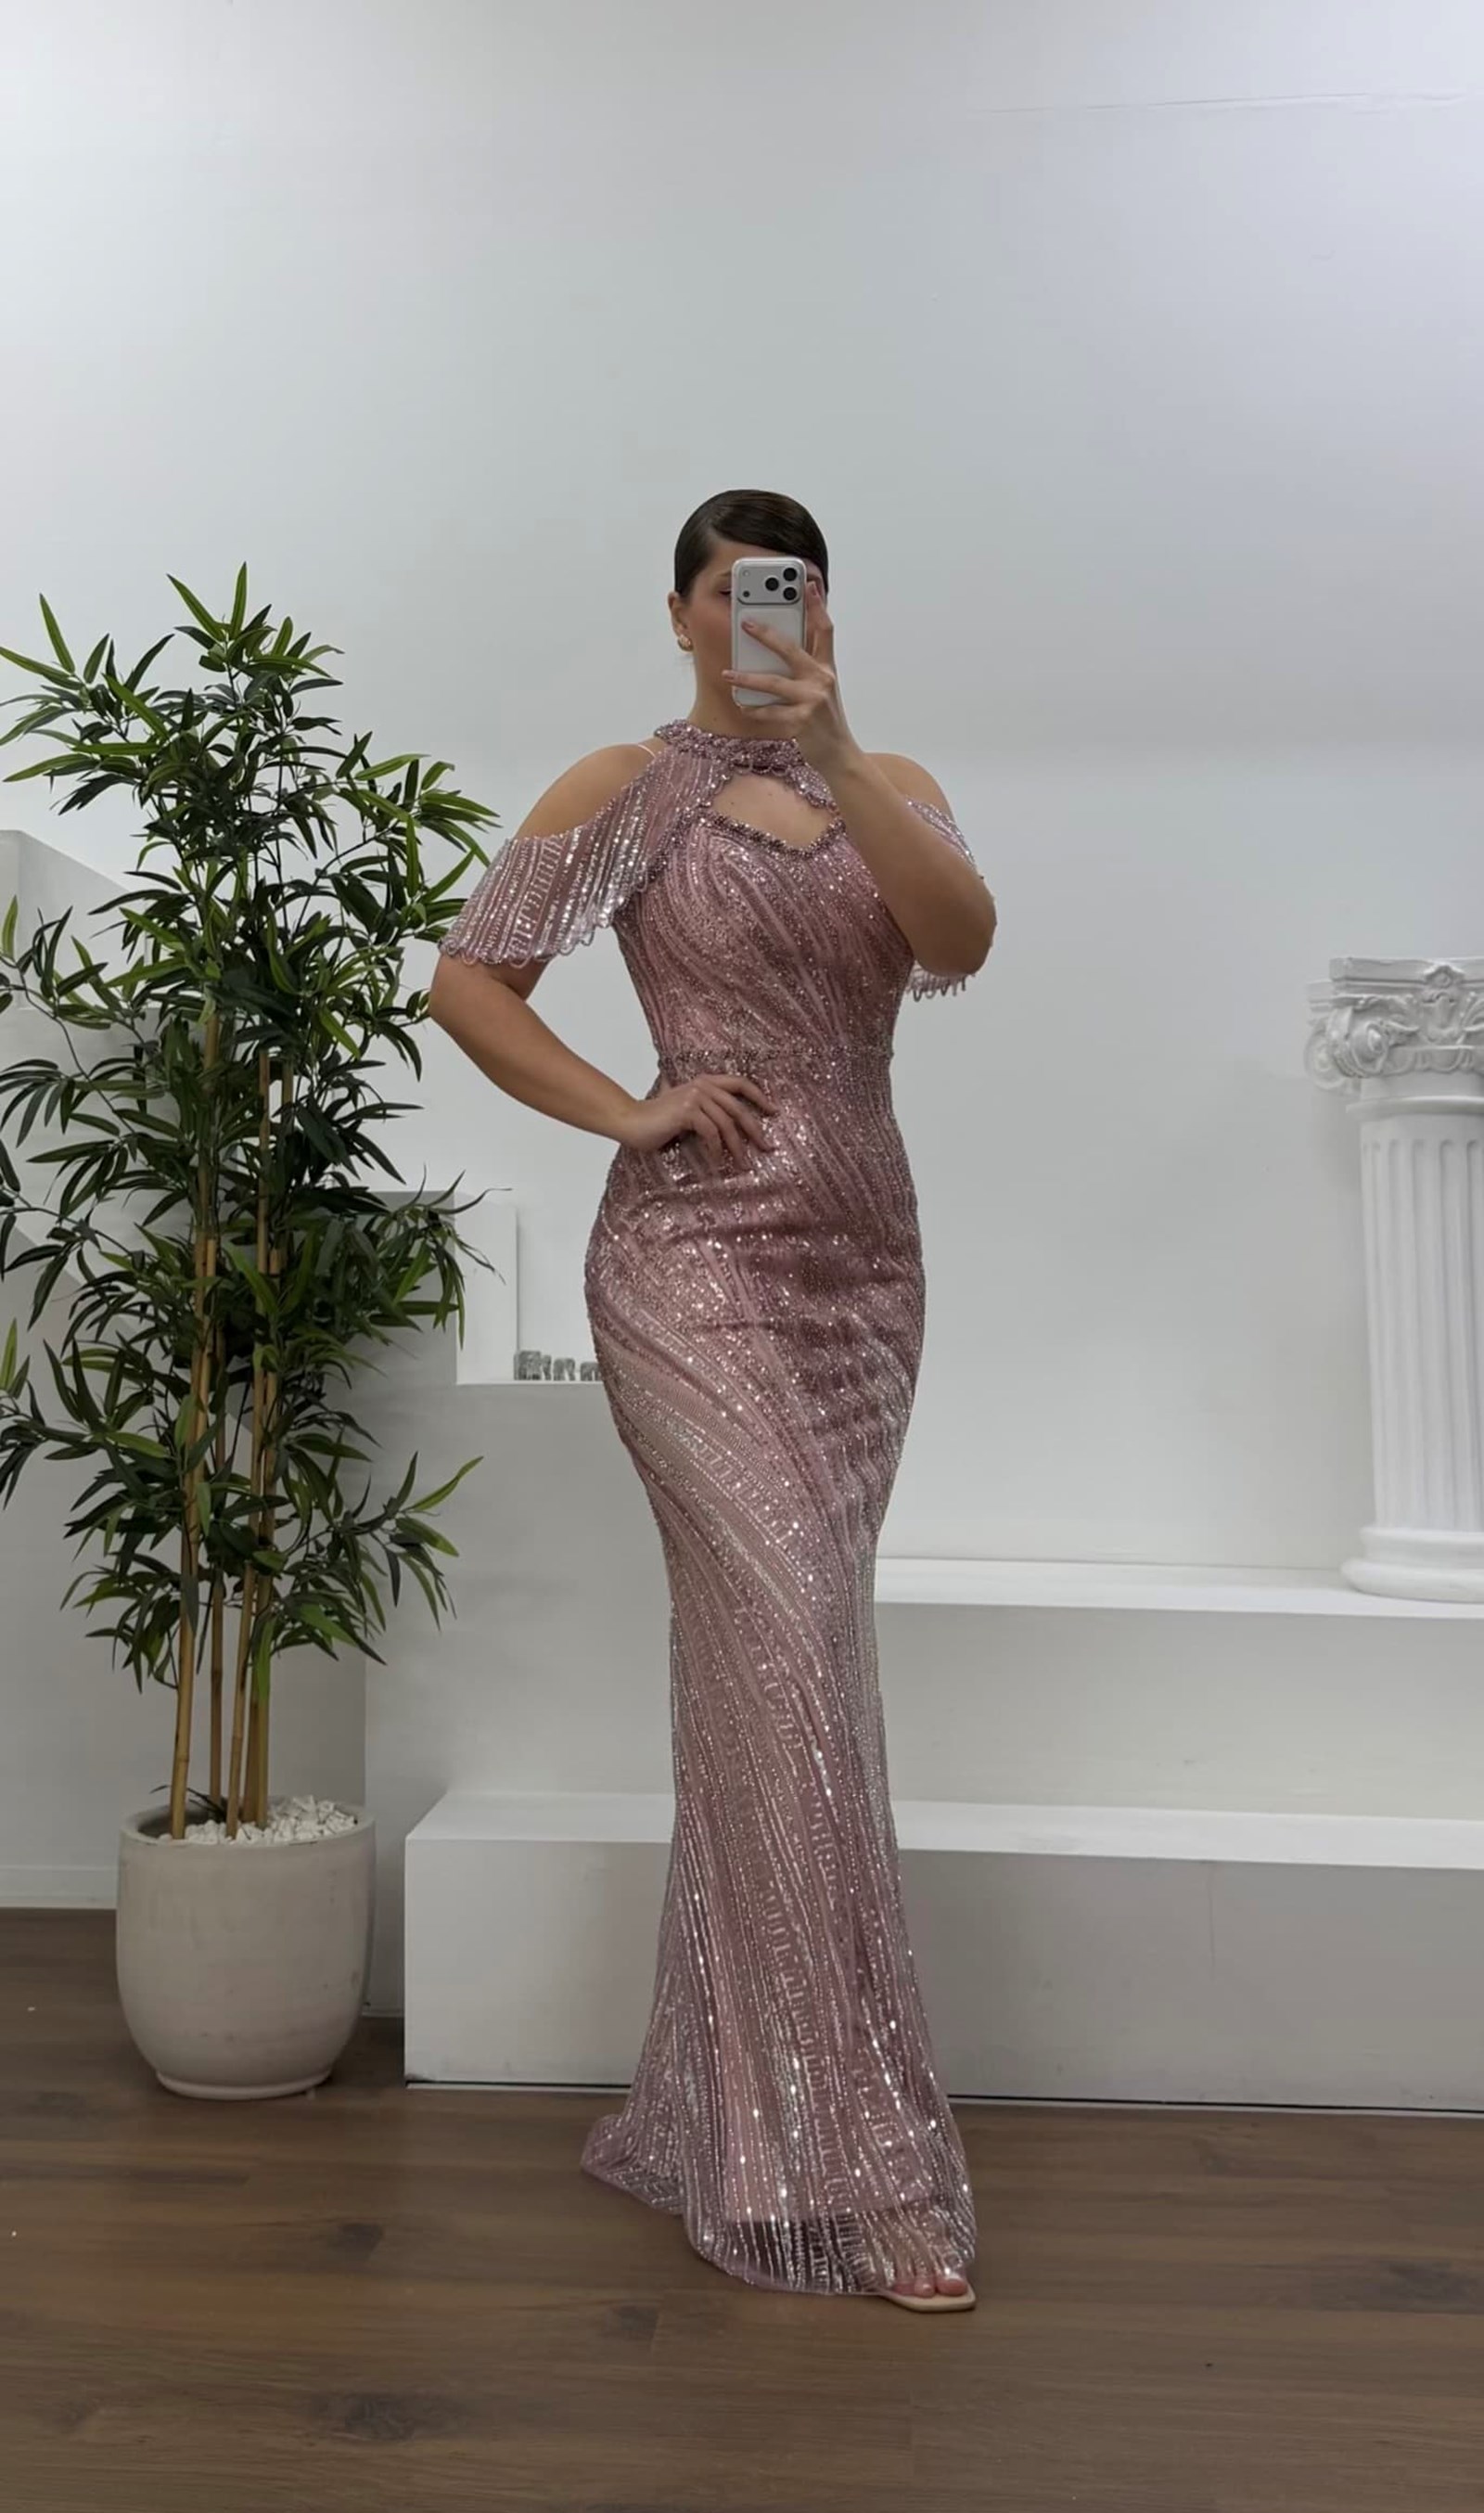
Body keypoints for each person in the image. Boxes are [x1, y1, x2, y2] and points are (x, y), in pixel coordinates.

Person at [430, 488, 997, 2309]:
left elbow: (958, 941)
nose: (771, 619)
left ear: (824, 618)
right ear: (681, 614)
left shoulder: (887, 781)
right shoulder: (624, 790)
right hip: (688, 1270)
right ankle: (858, 2165)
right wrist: (626, 1107)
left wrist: (835, 747)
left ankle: (729, 2110)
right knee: (789, 1661)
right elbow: (468, 982)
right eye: (742, 594)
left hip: (860, 1281)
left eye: (799, 596)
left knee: (777, 1680)